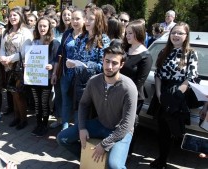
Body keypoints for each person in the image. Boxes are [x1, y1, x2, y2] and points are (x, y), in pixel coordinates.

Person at [57, 45, 138, 168]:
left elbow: (127, 124)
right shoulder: (94, 81)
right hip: (100, 124)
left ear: (121, 65)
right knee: (62, 138)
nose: (109, 66)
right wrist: (82, 128)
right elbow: (83, 104)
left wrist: (104, 145)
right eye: (107, 61)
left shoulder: (129, 88)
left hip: (120, 130)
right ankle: (91, 162)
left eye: (114, 63)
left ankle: (104, 162)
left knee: (114, 165)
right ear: (103, 60)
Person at [150, 22, 199, 169]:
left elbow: (191, 77)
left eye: (180, 33)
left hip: (178, 94)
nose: (176, 35)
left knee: (174, 130)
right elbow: (158, 74)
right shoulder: (163, 51)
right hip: (163, 92)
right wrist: (159, 93)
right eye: (173, 33)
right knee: (162, 129)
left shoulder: (191, 53)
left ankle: (166, 159)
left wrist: (177, 94)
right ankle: (162, 160)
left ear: (186, 36)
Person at [66, 6, 110, 124]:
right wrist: (71, 63)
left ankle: (86, 141)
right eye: (86, 18)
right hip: (79, 82)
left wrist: (87, 65)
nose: (86, 21)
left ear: (98, 21)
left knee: (89, 118)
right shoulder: (81, 38)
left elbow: (104, 66)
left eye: (91, 19)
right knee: (79, 116)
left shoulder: (103, 39)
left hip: (94, 84)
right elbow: (75, 57)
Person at [121, 20, 153, 154]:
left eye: (130, 33)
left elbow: (140, 81)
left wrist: (124, 94)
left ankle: (126, 153)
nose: (127, 36)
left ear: (139, 34)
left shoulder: (146, 56)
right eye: (126, 33)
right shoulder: (125, 49)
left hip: (133, 96)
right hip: (116, 91)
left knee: (128, 125)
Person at [50, 9, 85, 130]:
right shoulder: (67, 34)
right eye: (73, 19)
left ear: (84, 20)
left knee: (79, 104)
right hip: (66, 74)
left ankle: (76, 129)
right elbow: (59, 54)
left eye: (77, 19)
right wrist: (55, 72)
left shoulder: (87, 35)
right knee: (66, 101)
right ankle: (64, 127)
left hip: (81, 77)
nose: (74, 21)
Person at [0, 6, 33, 130]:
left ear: (20, 16)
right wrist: (2, 58)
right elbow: (2, 48)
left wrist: (10, 59)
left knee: (19, 94)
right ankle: (16, 117)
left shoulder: (26, 32)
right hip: (8, 67)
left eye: (15, 15)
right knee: (13, 93)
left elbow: (25, 51)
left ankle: (23, 119)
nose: (12, 17)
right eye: (11, 15)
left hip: (20, 67)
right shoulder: (7, 31)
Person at [30, 16, 60, 137]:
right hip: (35, 77)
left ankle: (44, 124)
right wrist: (27, 62)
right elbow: (31, 57)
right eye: (40, 26)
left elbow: (57, 60)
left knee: (44, 102)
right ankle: (38, 124)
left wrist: (52, 67)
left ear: (49, 27)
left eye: (44, 26)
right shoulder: (35, 41)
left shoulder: (54, 42)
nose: (42, 28)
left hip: (46, 77)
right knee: (37, 102)